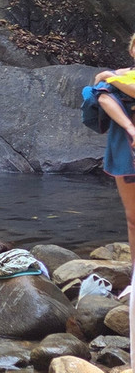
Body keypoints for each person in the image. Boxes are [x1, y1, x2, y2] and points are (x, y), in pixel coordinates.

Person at [89, 32, 135, 358]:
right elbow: (99, 93)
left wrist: (112, 78)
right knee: (133, 219)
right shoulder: (122, 76)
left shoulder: (122, 78)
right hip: (126, 151)